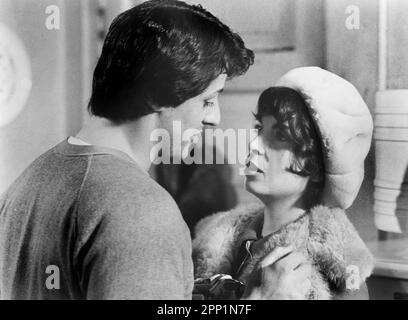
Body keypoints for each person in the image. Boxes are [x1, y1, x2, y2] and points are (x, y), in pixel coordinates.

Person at [0, 0, 254, 299]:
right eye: (208, 101)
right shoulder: (142, 210)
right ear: (160, 93)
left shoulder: (30, 182)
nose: (214, 119)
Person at [193, 67, 375, 299]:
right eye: (259, 128)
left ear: (319, 167)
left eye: (280, 137)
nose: (254, 145)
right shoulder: (213, 238)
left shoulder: (338, 278)